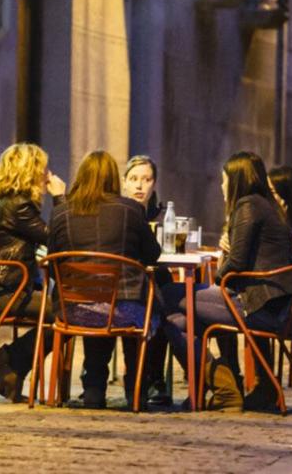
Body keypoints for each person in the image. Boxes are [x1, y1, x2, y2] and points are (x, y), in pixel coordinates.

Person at [163, 151, 292, 411]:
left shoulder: (247, 206)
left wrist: (217, 275)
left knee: (169, 294)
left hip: (259, 304)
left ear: (236, 180)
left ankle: (227, 389)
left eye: (224, 180)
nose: (222, 186)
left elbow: (234, 265)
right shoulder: (267, 205)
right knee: (178, 321)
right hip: (276, 301)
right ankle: (234, 389)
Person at [47, 150, 171, 409]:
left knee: (97, 306)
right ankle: (135, 389)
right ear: (116, 178)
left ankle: (94, 388)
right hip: (123, 310)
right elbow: (153, 255)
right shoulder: (132, 210)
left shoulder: (61, 212)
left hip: (74, 310)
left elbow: (52, 265)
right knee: (134, 307)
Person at [0, 143, 66, 401]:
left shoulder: (12, 204)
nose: (48, 175)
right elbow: (58, 240)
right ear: (30, 172)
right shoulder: (18, 207)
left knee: (65, 312)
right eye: (43, 169)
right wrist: (60, 199)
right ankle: (8, 360)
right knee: (68, 314)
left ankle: (9, 365)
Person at [119, 153, 173, 407]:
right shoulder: (116, 213)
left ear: (154, 184)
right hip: (120, 284)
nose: (140, 186)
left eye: (147, 179)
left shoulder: (163, 216)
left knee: (161, 297)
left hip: (153, 276)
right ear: (124, 182)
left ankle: (155, 377)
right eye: (134, 179)